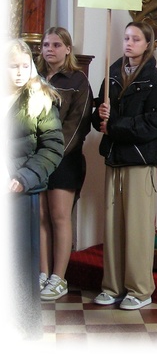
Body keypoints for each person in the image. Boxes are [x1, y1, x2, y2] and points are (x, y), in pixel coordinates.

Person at [91, 22, 157, 310]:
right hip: (115, 157)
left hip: (140, 160)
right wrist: (100, 114)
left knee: (137, 228)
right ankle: (112, 286)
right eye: (126, 37)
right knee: (113, 226)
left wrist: (114, 125)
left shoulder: (155, 81)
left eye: (136, 39)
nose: (129, 43)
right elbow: (100, 118)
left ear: (147, 44)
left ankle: (139, 290)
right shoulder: (113, 74)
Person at [5, 39, 64, 339]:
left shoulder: (39, 99)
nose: (19, 72)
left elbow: (53, 148)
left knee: (20, 268)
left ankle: (25, 332)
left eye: (25, 66)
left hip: (20, 193)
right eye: (13, 66)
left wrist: (24, 177)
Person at [36, 27, 93, 301]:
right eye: (46, 44)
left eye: (57, 45)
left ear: (68, 49)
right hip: (35, 158)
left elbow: (77, 123)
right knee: (41, 217)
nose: (50, 49)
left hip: (63, 158)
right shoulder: (33, 77)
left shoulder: (77, 80)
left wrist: (52, 154)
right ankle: (43, 272)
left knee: (59, 217)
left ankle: (59, 278)